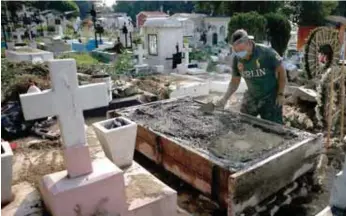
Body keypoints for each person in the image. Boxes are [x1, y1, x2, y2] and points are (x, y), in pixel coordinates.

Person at [216, 29, 287, 124]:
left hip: (271, 96)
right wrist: (225, 98)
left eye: (241, 50)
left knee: (274, 127)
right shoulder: (237, 60)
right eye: (236, 51)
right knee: (243, 122)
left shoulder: (267, 53)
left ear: (249, 43)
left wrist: (280, 94)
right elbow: (234, 82)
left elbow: (282, 72)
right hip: (252, 95)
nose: (239, 54)